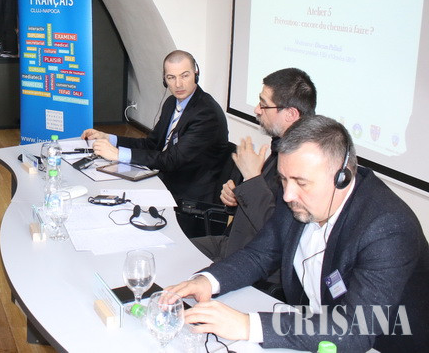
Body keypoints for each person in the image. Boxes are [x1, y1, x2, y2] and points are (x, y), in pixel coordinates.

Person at [167, 115, 429, 352]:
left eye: (301, 183)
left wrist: (248, 325)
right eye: (283, 179)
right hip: (311, 332)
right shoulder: (297, 196)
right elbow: (259, 254)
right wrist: (208, 281)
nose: (288, 194)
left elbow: (355, 331)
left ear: (342, 178)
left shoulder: (388, 229)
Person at [190, 68, 316, 261]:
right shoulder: (280, 146)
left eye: (264, 105)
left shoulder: (304, 164)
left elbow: (277, 232)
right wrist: (235, 198)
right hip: (231, 244)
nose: (257, 109)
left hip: (252, 260)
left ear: (291, 114)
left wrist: (252, 178)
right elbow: (257, 206)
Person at [81, 50, 228, 203]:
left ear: (196, 74)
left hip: (188, 196)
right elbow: (151, 144)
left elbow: (171, 160)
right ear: (164, 80)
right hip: (165, 178)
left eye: (185, 76)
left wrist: (118, 154)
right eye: (171, 77)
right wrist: (109, 138)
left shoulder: (206, 113)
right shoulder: (171, 103)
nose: (178, 84)